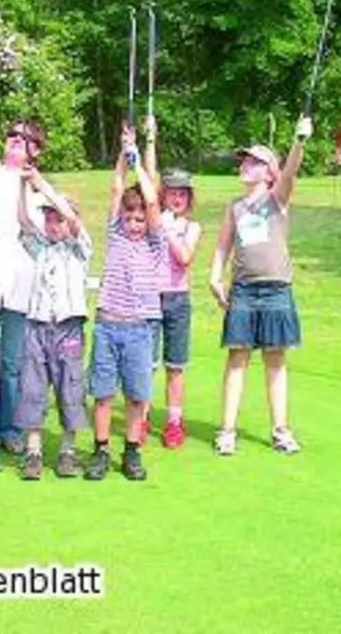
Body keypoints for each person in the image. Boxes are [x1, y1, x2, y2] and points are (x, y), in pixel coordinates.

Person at [207, 115, 313, 457]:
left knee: (275, 360)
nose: (245, 165)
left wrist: (299, 141)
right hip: (243, 292)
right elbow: (223, 246)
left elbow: (291, 174)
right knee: (237, 359)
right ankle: (226, 430)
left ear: (269, 172)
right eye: (244, 161)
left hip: (276, 290)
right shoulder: (235, 207)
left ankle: (281, 430)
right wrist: (214, 276)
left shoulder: (276, 199)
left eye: (254, 162)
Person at [85, 121, 168, 482]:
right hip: (107, 325)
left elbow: (151, 200)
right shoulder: (115, 234)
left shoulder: (155, 242)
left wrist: (138, 164)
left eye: (138, 219)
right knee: (103, 395)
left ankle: (131, 451)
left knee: (136, 396)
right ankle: (101, 450)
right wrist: (123, 151)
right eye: (129, 217)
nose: (134, 223)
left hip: (138, 330)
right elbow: (116, 187)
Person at [13, 169, 93, 480]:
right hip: (37, 325)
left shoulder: (78, 246)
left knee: (70, 387)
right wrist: (23, 187)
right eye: (48, 218)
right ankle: (33, 452)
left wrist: (41, 184)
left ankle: (67, 452)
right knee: (32, 387)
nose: (52, 224)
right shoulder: (41, 246)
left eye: (56, 218)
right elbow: (22, 221)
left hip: (68, 327)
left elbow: (71, 222)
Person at [0, 117, 46, 459]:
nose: (16, 140)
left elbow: (34, 228)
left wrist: (29, 185)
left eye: (25, 138)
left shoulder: (36, 185)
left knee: (14, 363)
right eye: (12, 135)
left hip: (21, 280)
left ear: (36, 150)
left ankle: (12, 428)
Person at [140, 115, 202, 450]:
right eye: (172, 193)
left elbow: (185, 258)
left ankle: (174, 422)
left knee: (175, 365)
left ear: (188, 198)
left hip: (178, 299)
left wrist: (167, 228)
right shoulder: (155, 217)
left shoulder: (191, 227)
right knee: (147, 363)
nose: (176, 198)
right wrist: (151, 140)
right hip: (151, 297)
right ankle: (144, 413)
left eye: (182, 194)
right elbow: (148, 181)